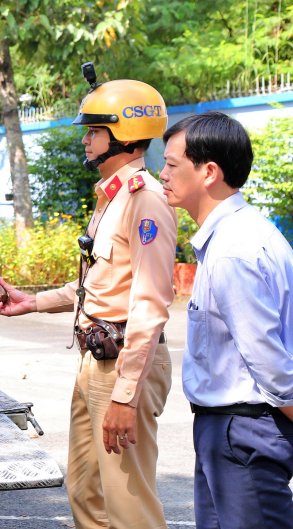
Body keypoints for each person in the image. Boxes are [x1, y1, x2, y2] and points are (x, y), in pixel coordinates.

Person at [0, 73, 177, 529]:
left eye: (94, 130)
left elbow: (150, 304)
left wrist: (126, 396)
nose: (87, 140)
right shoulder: (110, 198)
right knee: (85, 493)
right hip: (96, 360)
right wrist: (31, 303)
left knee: (128, 505)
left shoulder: (144, 200)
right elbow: (98, 284)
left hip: (124, 363)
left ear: (125, 135)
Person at [159, 111, 293, 529]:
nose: (161, 174)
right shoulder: (238, 236)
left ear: (209, 172)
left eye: (172, 164)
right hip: (232, 432)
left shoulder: (234, 250)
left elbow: (270, 363)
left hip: (246, 432)